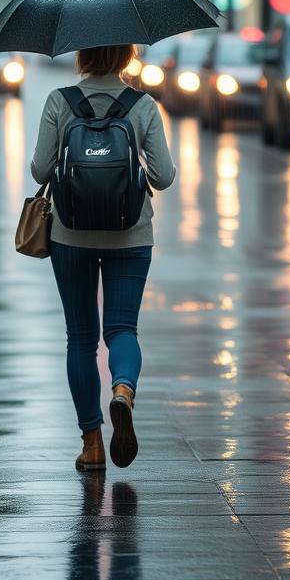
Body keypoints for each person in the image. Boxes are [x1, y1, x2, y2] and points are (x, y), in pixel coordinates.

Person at [29, 44, 176, 471]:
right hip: (130, 234)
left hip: (69, 235)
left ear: (81, 54)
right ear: (126, 55)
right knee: (121, 329)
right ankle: (123, 392)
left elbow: (40, 172)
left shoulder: (60, 102)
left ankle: (92, 445)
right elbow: (164, 177)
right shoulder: (142, 104)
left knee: (80, 337)